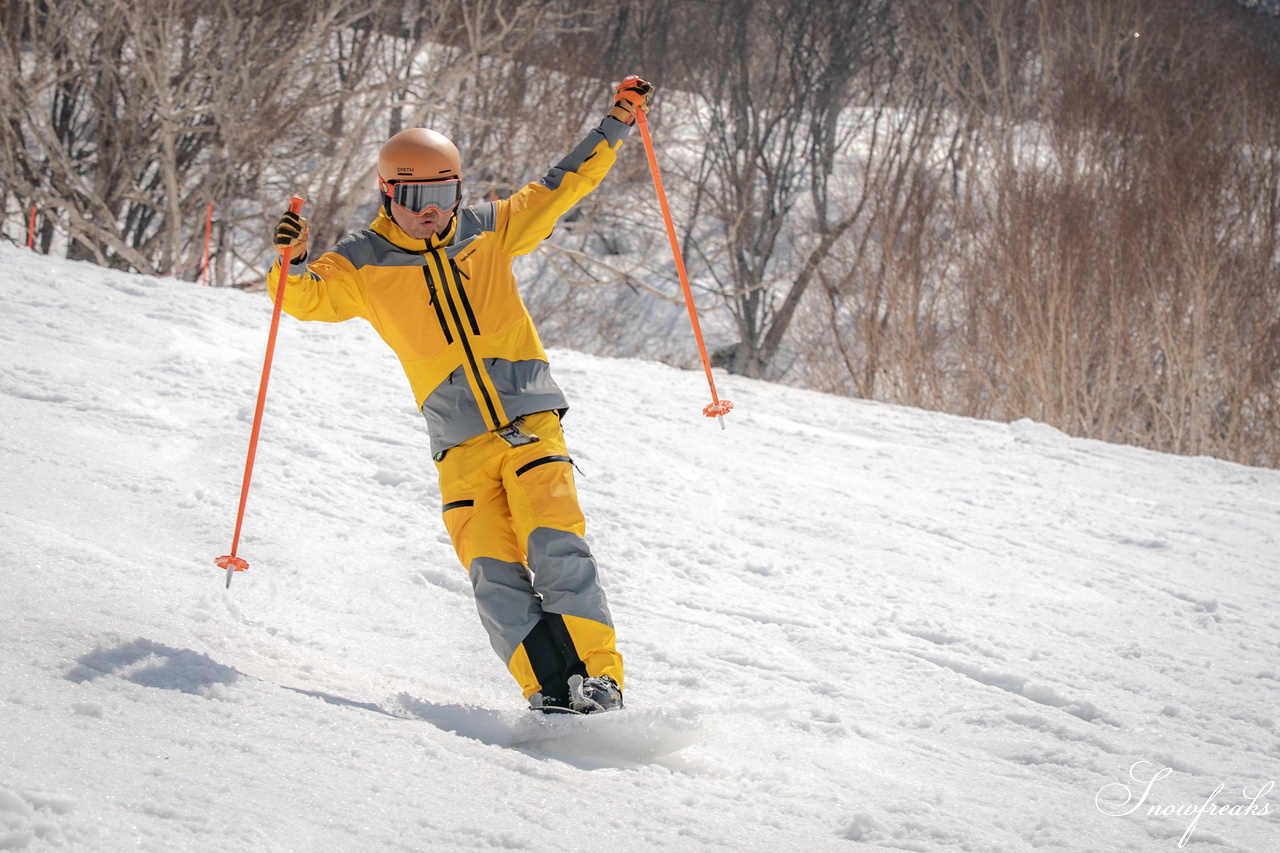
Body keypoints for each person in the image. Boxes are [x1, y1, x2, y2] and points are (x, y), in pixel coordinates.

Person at [266, 76, 653, 714]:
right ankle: (552, 694)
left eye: (443, 192)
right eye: (416, 194)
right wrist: (293, 259)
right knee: (494, 579)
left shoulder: (490, 229)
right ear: (389, 193)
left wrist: (616, 123)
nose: (431, 208)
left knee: (557, 547)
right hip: (458, 447)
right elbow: (301, 296)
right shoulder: (361, 263)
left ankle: (599, 682)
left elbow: (564, 183)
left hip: (529, 425)